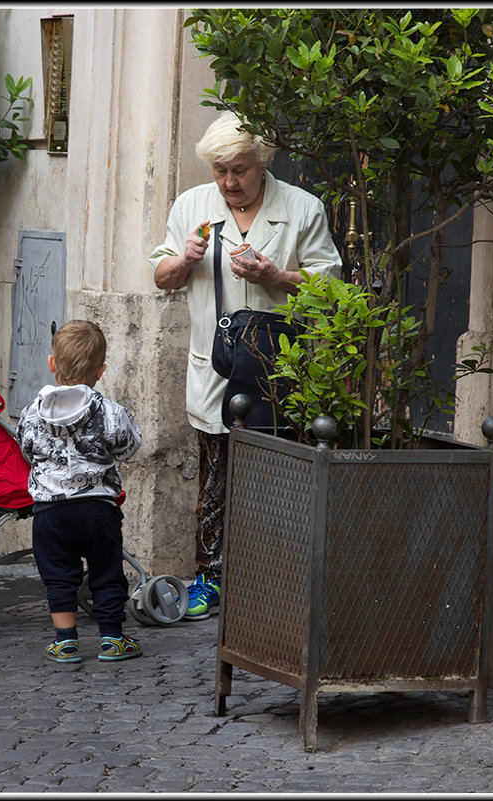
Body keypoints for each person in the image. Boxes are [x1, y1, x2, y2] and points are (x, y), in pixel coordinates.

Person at [148, 111, 341, 622]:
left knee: (278, 473)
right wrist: (186, 258)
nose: (229, 182)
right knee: (214, 473)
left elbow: (332, 286)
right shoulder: (193, 205)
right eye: (219, 171)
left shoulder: (302, 208)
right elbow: (161, 276)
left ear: (262, 163)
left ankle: (273, 580)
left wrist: (277, 275)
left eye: (239, 170)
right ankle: (209, 578)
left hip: (280, 366)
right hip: (214, 365)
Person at [16, 320, 144, 663]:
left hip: (50, 512)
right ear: (101, 371)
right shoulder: (112, 412)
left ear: (51, 364)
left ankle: (66, 641)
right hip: (98, 509)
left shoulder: (31, 413)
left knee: (58, 575)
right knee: (106, 571)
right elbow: (130, 447)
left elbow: (26, 450)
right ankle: (112, 638)